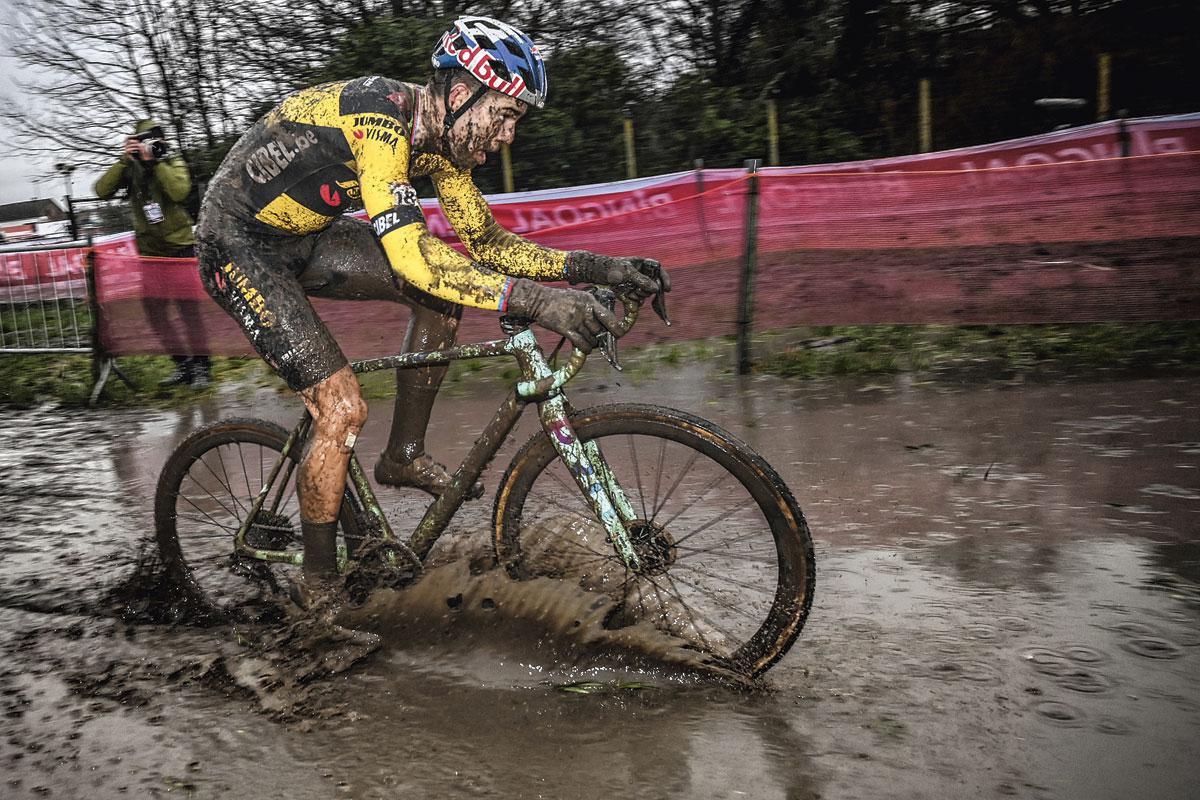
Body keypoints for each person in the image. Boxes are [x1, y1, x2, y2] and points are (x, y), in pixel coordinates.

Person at [196, 16, 669, 603]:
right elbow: (414, 256)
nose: (507, 136)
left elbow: (489, 245)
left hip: (308, 233)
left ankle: (403, 454)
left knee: (444, 295)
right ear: (461, 91)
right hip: (237, 240)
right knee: (340, 408)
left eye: (515, 121)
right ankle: (318, 597)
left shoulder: (445, 150)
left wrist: (596, 268)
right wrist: (541, 302)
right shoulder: (379, 116)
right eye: (505, 114)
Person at [95, 120, 212, 388]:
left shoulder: (172, 161)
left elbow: (179, 191)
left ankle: (203, 368)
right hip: (149, 254)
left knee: (189, 311)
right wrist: (125, 161)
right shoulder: (131, 166)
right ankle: (182, 365)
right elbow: (102, 191)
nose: (148, 146)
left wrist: (155, 162)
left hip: (180, 248)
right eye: (143, 141)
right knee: (155, 312)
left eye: (152, 141)